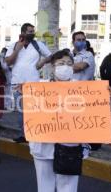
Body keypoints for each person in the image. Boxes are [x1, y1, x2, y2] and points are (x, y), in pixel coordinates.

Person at [30, 49, 90, 192]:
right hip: (43, 145)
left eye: (69, 64)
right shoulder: (39, 87)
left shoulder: (84, 89)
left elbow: (90, 114)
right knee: (45, 186)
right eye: (61, 63)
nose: (66, 67)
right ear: (52, 66)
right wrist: (25, 93)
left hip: (70, 146)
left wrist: (105, 95)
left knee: (68, 186)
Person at [5, 23, 52, 143]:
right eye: (30, 31)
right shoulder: (13, 45)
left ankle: (33, 133)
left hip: (33, 83)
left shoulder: (38, 45)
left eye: (33, 31)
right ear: (23, 32)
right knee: (21, 112)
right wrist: (17, 50)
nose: (32, 33)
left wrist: (42, 62)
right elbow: (8, 62)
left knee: (32, 111)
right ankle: (23, 134)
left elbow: (50, 56)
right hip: (17, 83)